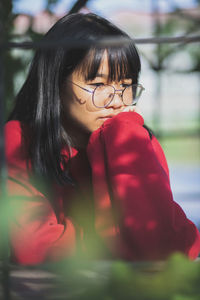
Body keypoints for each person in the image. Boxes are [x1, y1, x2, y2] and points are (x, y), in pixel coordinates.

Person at [5, 13, 200, 265]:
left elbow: (168, 245)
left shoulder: (136, 141)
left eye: (126, 85)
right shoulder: (20, 140)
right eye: (98, 85)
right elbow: (34, 247)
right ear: (55, 82)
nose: (117, 101)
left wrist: (122, 137)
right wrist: (121, 240)